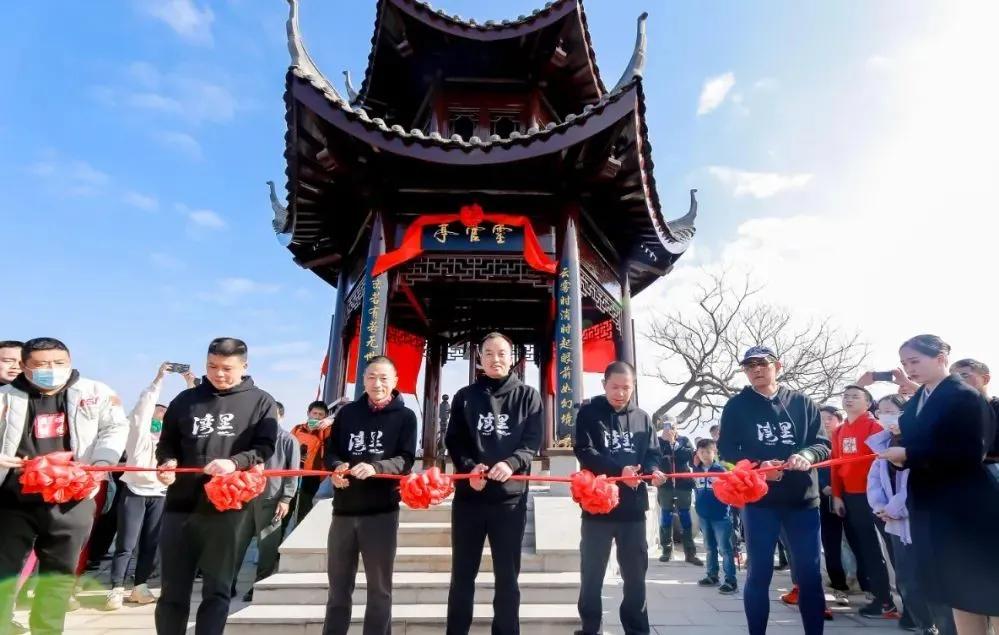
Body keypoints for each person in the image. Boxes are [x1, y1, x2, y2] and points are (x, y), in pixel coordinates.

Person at [0, 337, 129, 634]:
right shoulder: (6, 396)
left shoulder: (95, 392)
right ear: (24, 366)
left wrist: (102, 462)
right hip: (13, 497)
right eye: (42, 364)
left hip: (72, 495)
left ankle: (47, 629)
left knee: (58, 573)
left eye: (59, 363)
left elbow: (115, 426)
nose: (51, 370)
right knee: (4, 570)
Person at [154, 337, 279, 635]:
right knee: (172, 589)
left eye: (227, 368)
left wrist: (234, 462)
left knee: (217, 589)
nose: (219, 374)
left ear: (244, 366)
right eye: (212, 367)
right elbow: (167, 443)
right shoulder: (186, 400)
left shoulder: (260, 401)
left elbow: (265, 446)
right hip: (180, 505)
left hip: (228, 510)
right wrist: (167, 464)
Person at [879, 335, 999, 634]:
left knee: (983, 587)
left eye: (916, 361)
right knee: (954, 589)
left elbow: (970, 452)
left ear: (942, 357)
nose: (910, 369)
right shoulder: (921, 398)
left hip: (966, 506)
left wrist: (909, 454)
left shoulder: (964, 396)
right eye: (905, 363)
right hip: (932, 503)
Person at [717, 345, 831, 635]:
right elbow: (726, 453)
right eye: (749, 365)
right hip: (760, 502)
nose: (756, 369)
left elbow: (822, 444)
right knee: (759, 573)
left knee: (809, 574)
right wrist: (758, 466)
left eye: (762, 363)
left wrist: (807, 456)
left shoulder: (802, 402)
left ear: (777, 366)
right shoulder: (736, 406)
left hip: (803, 500)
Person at [445, 332, 543, 635]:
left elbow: (531, 442)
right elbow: (454, 441)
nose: (495, 359)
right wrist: (470, 468)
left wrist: (510, 464)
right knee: (462, 574)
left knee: (507, 577)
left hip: (509, 501)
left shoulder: (528, 395)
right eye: (488, 353)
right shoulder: (464, 396)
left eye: (501, 353)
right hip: (469, 500)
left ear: (513, 357)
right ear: (479, 358)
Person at [322, 355, 417, 635]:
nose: (377, 383)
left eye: (384, 378)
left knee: (379, 590)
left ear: (395, 382)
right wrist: (336, 467)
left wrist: (377, 468)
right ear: (363, 379)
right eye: (372, 377)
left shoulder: (405, 417)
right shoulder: (347, 413)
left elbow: (406, 459)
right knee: (338, 588)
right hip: (344, 511)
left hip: (381, 512)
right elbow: (332, 451)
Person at [573, 361, 666, 635]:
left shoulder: (643, 418)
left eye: (626, 388)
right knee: (592, 575)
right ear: (604, 385)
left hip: (633, 510)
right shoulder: (589, 414)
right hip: (597, 508)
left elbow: (652, 453)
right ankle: (590, 628)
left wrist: (653, 471)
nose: (620, 393)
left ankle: (637, 629)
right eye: (615, 387)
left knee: (635, 578)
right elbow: (585, 452)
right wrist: (618, 471)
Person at [104, 364, 196, 611]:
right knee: (126, 543)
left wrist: (191, 384)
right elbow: (144, 405)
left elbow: (191, 412)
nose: (159, 416)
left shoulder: (171, 443)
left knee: (150, 543)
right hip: (133, 492)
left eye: (164, 414)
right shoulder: (138, 434)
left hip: (160, 494)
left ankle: (140, 586)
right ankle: (115, 589)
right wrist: (159, 379)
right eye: (156, 412)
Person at [867, 393, 956, 635]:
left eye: (892, 411)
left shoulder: (921, 441)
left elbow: (918, 481)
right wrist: (879, 507)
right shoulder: (881, 443)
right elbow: (875, 479)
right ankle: (925, 625)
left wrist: (896, 507)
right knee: (907, 581)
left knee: (933, 580)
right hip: (895, 524)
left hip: (921, 519)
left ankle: (949, 628)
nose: (885, 416)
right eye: (881, 411)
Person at [830, 385, 897, 619]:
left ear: (868, 403)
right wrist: (838, 495)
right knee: (866, 549)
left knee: (891, 547)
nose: (848, 400)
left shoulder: (874, 426)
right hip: (851, 497)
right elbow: (835, 465)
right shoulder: (838, 431)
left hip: (876, 497)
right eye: (845, 396)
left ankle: (911, 604)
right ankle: (882, 599)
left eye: (855, 396)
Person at [234, 423, 299, 602]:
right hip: (246, 497)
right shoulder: (249, 437)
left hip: (271, 498)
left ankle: (260, 585)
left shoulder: (288, 440)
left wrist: (286, 498)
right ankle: (228, 584)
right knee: (238, 542)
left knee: (267, 544)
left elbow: (293, 471)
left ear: (279, 416)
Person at [816, 406, 852, 604]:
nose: (825, 422)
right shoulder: (815, 443)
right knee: (831, 543)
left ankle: (866, 584)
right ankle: (838, 584)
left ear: (839, 419)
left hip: (851, 495)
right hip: (825, 498)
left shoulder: (847, 438)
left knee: (855, 541)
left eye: (829, 418)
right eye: (821, 419)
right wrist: (824, 486)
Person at [692, 438, 738, 594]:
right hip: (703, 515)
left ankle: (731, 581)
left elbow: (733, 491)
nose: (705, 455)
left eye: (708, 452)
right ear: (697, 453)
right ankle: (712, 575)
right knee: (709, 547)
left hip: (721, 516)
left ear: (715, 452)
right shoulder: (695, 471)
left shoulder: (722, 470)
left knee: (725, 549)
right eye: (701, 452)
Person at [656, 416, 701, 565]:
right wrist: (665, 443)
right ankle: (666, 551)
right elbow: (656, 459)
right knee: (666, 517)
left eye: (673, 426)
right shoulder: (657, 441)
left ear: (677, 427)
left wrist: (674, 443)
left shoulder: (684, 440)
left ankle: (690, 552)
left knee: (685, 517)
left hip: (683, 485)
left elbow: (688, 457)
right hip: (665, 485)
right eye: (667, 426)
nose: (670, 430)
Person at [290, 400, 332, 523]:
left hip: (313, 476)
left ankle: (299, 535)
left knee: (305, 508)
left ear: (325, 417)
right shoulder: (298, 429)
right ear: (308, 413)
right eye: (315, 413)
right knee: (288, 507)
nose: (317, 417)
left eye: (321, 415)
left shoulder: (327, 432)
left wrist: (330, 422)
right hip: (294, 473)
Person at [950, 359, 999, 462]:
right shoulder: (952, 412)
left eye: (964, 375)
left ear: (985, 379)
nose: (957, 382)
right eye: (953, 378)